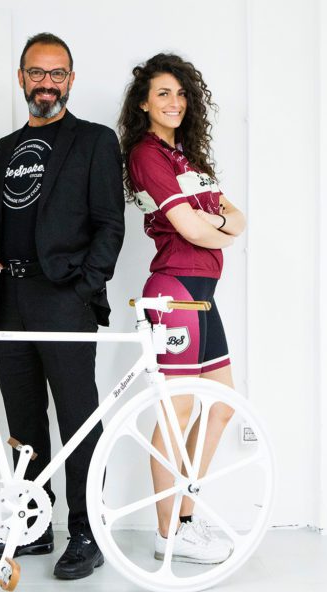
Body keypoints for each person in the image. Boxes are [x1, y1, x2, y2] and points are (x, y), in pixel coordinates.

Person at [0, 33, 125, 580]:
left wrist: (84, 288)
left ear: (70, 80)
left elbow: (110, 224)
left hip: (64, 298)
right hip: (8, 298)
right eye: (36, 73)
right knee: (23, 419)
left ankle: (87, 531)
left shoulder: (95, 141)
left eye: (57, 74)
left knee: (78, 419)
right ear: (21, 79)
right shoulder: (6, 148)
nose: (46, 83)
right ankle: (34, 524)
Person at [118, 53, 246, 564]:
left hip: (203, 294)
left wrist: (215, 223)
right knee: (179, 410)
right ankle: (167, 532)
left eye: (180, 93)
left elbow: (239, 218)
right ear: (144, 103)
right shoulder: (147, 155)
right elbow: (198, 228)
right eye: (163, 93)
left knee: (220, 406)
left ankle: (185, 521)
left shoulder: (189, 159)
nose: (174, 102)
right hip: (174, 291)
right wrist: (216, 226)